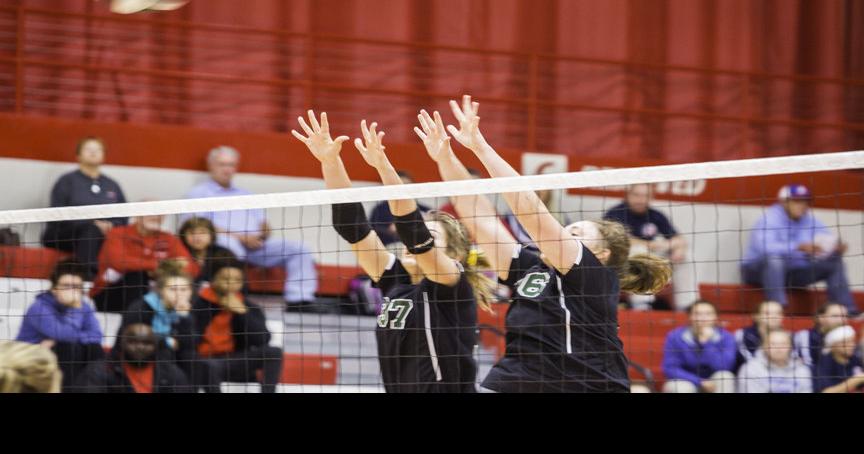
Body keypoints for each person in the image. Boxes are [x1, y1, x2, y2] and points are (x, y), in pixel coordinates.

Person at [418, 96, 670, 392]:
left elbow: (532, 212)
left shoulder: (595, 277)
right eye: (567, 230)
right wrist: (445, 157)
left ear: (600, 254)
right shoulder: (531, 269)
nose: (565, 234)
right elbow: (479, 217)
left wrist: (481, 148)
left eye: (575, 234)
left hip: (585, 384)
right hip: (519, 378)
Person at [292, 110, 493, 392]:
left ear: (455, 255)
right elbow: (353, 228)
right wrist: (331, 162)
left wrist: (383, 166)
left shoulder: (451, 285)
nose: (415, 242)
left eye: (431, 235)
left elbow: (413, 232)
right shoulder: (394, 280)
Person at [183, 145, 320, 312]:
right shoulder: (198, 193)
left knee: (299, 249)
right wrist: (242, 238)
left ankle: (300, 300)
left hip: (255, 246)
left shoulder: (246, 194)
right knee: (230, 246)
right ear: (210, 165)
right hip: (225, 244)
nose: (227, 169)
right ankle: (236, 296)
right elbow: (198, 228)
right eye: (222, 164)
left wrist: (261, 235)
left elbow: (264, 224)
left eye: (231, 165)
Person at [741, 184, 858, 315]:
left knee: (835, 262)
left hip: (793, 273)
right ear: (784, 202)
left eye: (805, 201)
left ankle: (846, 311)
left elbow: (825, 240)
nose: (802, 205)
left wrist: (834, 248)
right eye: (796, 201)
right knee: (774, 260)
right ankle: (778, 310)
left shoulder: (810, 219)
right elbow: (764, 249)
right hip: (757, 271)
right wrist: (797, 246)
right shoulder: (769, 218)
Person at [190, 258, 283, 393]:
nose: (231, 284)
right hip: (202, 361)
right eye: (225, 279)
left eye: (237, 280)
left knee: (274, 352)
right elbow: (189, 339)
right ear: (213, 279)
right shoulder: (198, 303)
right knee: (208, 365)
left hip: (233, 361)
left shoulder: (247, 305)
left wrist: (242, 312)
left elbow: (263, 340)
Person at [42, 137, 128, 277]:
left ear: (104, 155)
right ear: (78, 155)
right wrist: (91, 223)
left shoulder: (112, 184)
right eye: (88, 149)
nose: (93, 152)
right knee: (90, 230)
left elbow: (124, 215)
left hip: (103, 235)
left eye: (98, 149)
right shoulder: (66, 181)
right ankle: (87, 277)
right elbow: (56, 215)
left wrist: (111, 225)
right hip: (62, 234)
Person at [16, 260, 104, 391]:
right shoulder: (39, 307)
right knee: (67, 347)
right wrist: (74, 309)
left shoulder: (84, 306)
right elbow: (64, 335)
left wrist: (60, 339)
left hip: (64, 355)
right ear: (54, 288)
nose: (72, 292)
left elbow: (96, 336)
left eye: (77, 287)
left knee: (94, 349)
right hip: (30, 357)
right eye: (66, 286)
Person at [603, 183, 694, 310]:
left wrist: (678, 249)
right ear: (628, 195)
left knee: (685, 257)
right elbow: (620, 241)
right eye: (637, 195)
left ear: (651, 198)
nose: (641, 199)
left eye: (646, 196)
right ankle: (642, 305)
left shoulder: (656, 215)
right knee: (640, 252)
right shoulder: (616, 213)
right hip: (621, 264)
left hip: (651, 257)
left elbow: (679, 239)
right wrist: (651, 245)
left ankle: (686, 306)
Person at [90, 213, 199, 313]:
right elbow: (118, 262)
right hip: (109, 294)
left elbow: (191, 268)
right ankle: (136, 322)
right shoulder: (118, 233)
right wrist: (158, 266)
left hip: (156, 293)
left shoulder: (168, 238)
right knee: (137, 276)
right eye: (150, 213)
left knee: (184, 283)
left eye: (160, 214)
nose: (156, 217)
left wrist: (163, 270)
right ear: (137, 216)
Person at [117, 260, 196, 378]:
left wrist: (184, 318)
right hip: (139, 354)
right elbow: (131, 337)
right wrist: (166, 341)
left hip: (171, 357)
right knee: (164, 353)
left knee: (194, 359)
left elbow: (190, 342)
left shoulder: (187, 309)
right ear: (161, 290)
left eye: (184, 290)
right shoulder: (142, 307)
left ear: (191, 291)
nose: (179, 295)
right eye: (173, 289)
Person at [75, 323, 191, 393]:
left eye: (147, 343)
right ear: (122, 343)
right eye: (133, 342)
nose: (140, 347)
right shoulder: (99, 370)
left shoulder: (170, 372)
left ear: (155, 346)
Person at [661, 300, 737, 393]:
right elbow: (670, 368)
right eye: (697, 314)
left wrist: (708, 343)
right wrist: (699, 381)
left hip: (713, 380)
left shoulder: (726, 337)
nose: (703, 318)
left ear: (715, 317)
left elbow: (724, 366)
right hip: (687, 380)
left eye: (708, 314)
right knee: (676, 387)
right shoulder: (675, 336)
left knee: (725, 377)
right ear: (689, 317)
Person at [368, 169, 431, 248]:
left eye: (407, 185)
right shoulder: (380, 210)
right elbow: (374, 231)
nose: (404, 189)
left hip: (421, 245)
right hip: (392, 246)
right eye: (400, 186)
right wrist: (391, 230)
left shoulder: (424, 209)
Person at [737, 330, 812, 393]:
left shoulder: (802, 370)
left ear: (790, 347)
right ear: (764, 347)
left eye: (783, 344)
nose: (778, 349)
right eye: (773, 344)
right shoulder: (750, 369)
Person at [178, 217, 239, 287]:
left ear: (212, 235)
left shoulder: (224, 254)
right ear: (183, 236)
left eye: (202, 232)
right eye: (192, 233)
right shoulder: (178, 253)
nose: (197, 237)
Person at [794, 302, 849, 373]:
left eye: (845, 316)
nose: (842, 320)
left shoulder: (848, 337)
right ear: (820, 318)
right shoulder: (804, 336)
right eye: (835, 316)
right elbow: (806, 366)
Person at [734, 300, 784, 371]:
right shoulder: (743, 334)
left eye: (778, 313)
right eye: (768, 313)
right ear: (756, 316)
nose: (774, 317)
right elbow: (748, 361)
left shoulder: (788, 336)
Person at [813, 325, 864, 393]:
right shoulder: (824, 363)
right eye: (845, 342)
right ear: (833, 345)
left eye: (852, 341)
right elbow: (826, 391)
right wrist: (854, 381)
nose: (851, 345)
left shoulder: (855, 359)